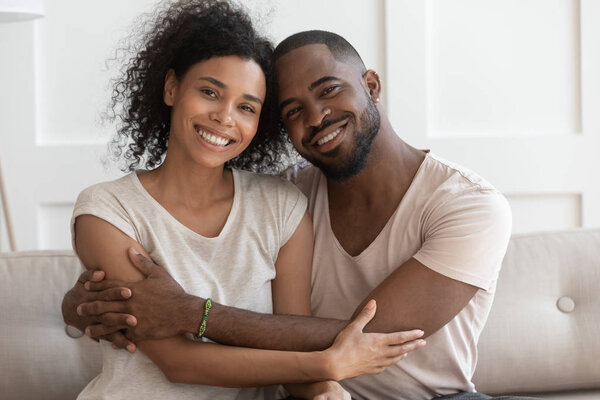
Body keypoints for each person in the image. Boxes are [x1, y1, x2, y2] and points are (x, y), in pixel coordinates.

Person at [64, 28, 538, 400]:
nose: (315, 118)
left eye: (329, 91)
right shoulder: (292, 192)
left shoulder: (468, 204)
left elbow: (371, 337)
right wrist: (81, 306)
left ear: (370, 85)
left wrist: (191, 313)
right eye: (293, 110)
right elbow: (174, 335)